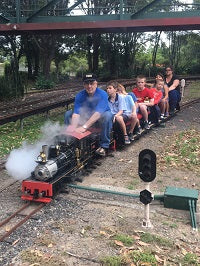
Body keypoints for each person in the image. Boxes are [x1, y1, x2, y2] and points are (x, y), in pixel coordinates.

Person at [64, 74, 113, 156]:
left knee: (107, 115)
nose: (89, 86)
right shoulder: (80, 95)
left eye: (92, 83)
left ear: (96, 84)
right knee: (68, 113)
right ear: (83, 85)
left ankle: (104, 146)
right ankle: (68, 140)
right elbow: (76, 113)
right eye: (87, 83)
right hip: (86, 117)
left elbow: (97, 114)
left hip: (99, 119)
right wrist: (73, 128)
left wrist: (84, 127)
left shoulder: (103, 94)